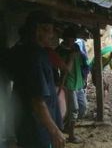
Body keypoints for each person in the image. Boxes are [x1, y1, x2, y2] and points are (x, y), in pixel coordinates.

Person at [9, 11, 65, 148]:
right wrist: (54, 131)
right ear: (38, 30)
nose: (52, 36)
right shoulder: (35, 57)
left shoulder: (27, 51)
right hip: (37, 130)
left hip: (31, 128)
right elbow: (38, 101)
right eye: (50, 31)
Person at [56, 27, 86, 144]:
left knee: (82, 107)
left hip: (79, 83)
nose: (71, 41)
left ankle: (68, 126)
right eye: (68, 39)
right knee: (74, 110)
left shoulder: (76, 47)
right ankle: (71, 136)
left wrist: (84, 77)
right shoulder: (60, 51)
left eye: (73, 39)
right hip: (68, 84)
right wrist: (71, 57)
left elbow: (83, 62)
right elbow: (65, 70)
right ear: (64, 38)